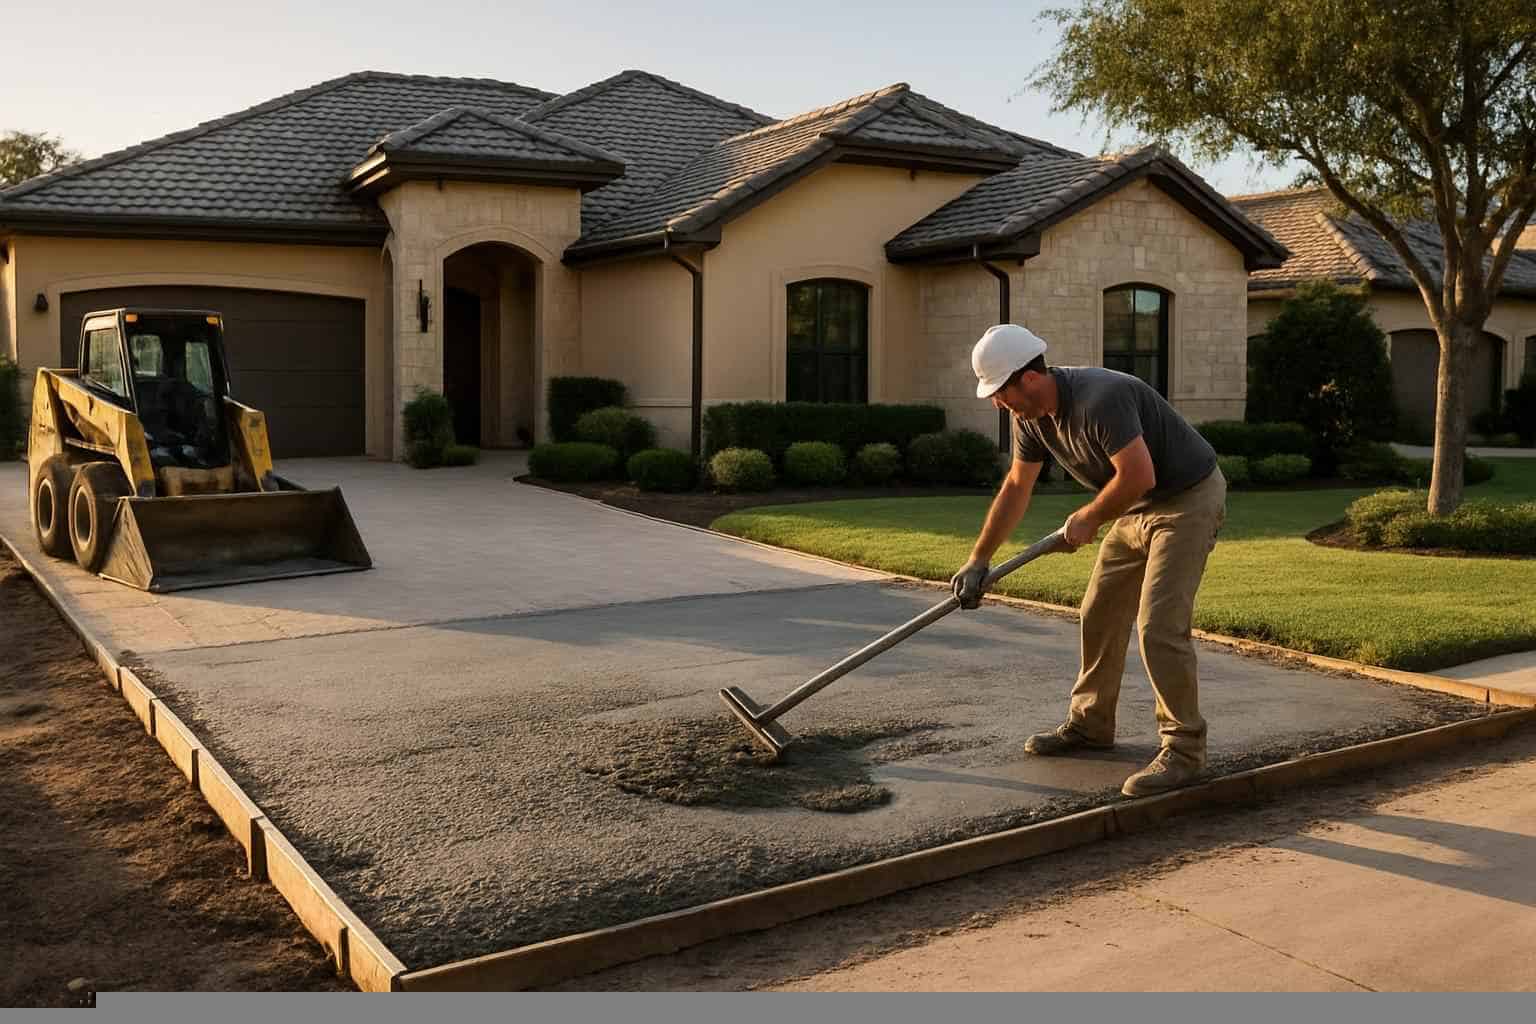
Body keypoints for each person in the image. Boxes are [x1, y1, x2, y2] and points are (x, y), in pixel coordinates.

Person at [950, 324, 1226, 797]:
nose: (998, 403)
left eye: (1000, 392)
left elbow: (1139, 474)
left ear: (1029, 378)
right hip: (1136, 506)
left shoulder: (1102, 398)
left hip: (1186, 498)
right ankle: (1091, 725)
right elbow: (1017, 486)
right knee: (1098, 611)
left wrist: (1090, 517)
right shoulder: (1031, 418)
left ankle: (1184, 750)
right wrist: (979, 558)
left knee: (1159, 624)